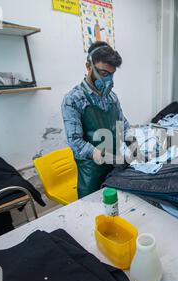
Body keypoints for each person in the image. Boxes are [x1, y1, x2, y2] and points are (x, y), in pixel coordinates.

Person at [61, 41, 131, 198]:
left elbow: (123, 125)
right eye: (104, 74)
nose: (109, 80)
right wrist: (107, 157)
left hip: (116, 171)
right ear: (88, 67)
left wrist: (133, 142)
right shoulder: (73, 100)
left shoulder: (112, 97)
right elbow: (75, 142)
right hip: (92, 175)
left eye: (111, 74)